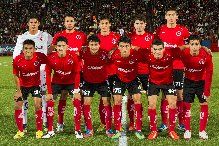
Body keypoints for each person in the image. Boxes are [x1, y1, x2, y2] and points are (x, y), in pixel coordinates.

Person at [13, 14, 53, 132]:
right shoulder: (22, 37)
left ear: (38, 23)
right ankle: (24, 122)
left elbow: (51, 47)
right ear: (28, 24)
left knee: (43, 97)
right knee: (23, 99)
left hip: (42, 72)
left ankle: (44, 120)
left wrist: (46, 57)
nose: (33, 24)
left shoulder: (46, 36)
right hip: (27, 72)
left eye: (35, 22)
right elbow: (16, 55)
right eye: (31, 22)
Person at [155, 8, 190, 132]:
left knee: (180, 95)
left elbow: (190, 45)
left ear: (176, 17)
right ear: (165, 17)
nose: (170, 17)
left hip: (179, 67)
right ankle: (165, 123)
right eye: (168, 15)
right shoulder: (160, 30)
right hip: (165, 67)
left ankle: (181, 123)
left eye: (173, 15)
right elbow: (155, 47)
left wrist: (181, 48)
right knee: (165, 95)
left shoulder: (183, 30)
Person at [51, 13, 86, 132]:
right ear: (64, 23)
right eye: (67, 21)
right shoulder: (58, 35)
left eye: (71, 21)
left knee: (79, 96)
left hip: (77, 70)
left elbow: (85, 50)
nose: (69, 23)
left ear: (74, 22)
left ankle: (82, 121)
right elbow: (52, 50)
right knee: (63, 95)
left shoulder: (81, 35)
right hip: (62, 70)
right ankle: (60, 121)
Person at [42, 36, 82, 139]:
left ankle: (77, 130)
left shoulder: (73, 56)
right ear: (55, 47)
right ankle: (51, 130)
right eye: (59, 46)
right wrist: (49, 92)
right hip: (57, 82)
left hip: (71, 82)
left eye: (63, 46)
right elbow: (47, 74)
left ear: (67, 47)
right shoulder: (50, 58)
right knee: (50, 101)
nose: (61, 48)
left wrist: (77, 90)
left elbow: (77, 73)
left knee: (77, 100)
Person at [110, 36, 144, 139]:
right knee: (117, 101)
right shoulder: (114, 55)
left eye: (126, 46)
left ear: (130, 46)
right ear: (118, 47)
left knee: (137, 100)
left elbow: (148, 56)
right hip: (119, 79)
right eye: (121, 46)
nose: (124, 49)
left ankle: (138, 129)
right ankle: (117, 129)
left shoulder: (136, 54)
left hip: (133, 80)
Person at [79, 35, 114, 138]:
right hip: (88, 82)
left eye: (96, 45)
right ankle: (89, 129)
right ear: (88, 45)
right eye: (91, 45)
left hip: (102, 82)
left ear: (99, 45)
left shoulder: (104, 53)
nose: (94, 47)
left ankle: (108, 129)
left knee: (106, 102)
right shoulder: (84, 52)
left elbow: (112, 62)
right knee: (86, 103)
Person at [145, 39, 179, 140]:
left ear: (164, 49)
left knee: (172, 104)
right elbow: (133, 49)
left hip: (168, 83)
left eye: (160, 49)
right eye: (155, 49)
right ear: (151, 49)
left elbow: (184, 48)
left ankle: (172, 130)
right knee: (151, 105)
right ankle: (153, 130)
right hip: (153, 83)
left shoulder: (170, 55)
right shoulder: (147, 55)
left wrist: (203, 48)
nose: (157, 51)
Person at [13, 39, 47, 139]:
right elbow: (16, 75)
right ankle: (20, 131)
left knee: (37, 104)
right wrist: (18, 91)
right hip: (23, 86)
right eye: (26, 48)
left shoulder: (40, 56)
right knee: (17, 106)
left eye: (30, 48)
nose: (28, 50)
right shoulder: (17, 59)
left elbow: (50, 62)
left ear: (34, 49)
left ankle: (39, 130)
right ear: (22, 49)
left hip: (36, 85)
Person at [181, 35, 213, 140]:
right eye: (192, 44)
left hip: (201, 82)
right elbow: (173, 49)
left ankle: (202, 131)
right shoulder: (183, 53)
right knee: (186, 105)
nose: (194, 47)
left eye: (197, 44)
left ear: (200, 46)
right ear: (188, 45)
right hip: (188, 82)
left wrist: (207, 91)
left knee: (204, 103)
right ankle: (187, 130)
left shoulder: (206, 55)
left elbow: (209, 73)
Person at [128, 15, 154, 131]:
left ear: (145, 24)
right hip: (133, 72)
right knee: (132, 97)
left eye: (141, 23)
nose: (139, 26)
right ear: (134, 25)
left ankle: (150, 122)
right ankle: (133, 122)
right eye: (137, 23)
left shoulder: (151, 37)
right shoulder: (129, 38)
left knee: (151, 98)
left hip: (148, 72)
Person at [96, 15, 120, 131]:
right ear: (99, 25)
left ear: (109, 24)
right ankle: (103, 122)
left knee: (116, 98)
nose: (104, 26)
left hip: (115, 72)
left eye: (106, 23)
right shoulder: (96, 38)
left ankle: (116, 122)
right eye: (102, 24)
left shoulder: (116, 37)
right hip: (101, 72)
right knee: (104, 98)